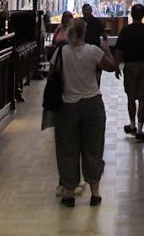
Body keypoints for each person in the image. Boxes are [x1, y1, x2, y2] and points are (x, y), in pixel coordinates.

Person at [49, 17, 116, 207]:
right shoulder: (93, 51)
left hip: (68, 105)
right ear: (83, 33)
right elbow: (111, 67)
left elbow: (51, 76)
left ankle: (69, 193)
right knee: (93, 147)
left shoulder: (61, 52)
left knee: (67, 148)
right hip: (92, 103)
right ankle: (95, 193)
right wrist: (106, 49)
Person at [114, 2, 144, 142]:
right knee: (142, 99)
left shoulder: (125, 31)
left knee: (130, 97)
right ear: (143, 15)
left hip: (130, 67)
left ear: (131, 15)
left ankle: (132, 124)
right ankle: (139, 129)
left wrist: (117, 67)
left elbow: (119, 51)